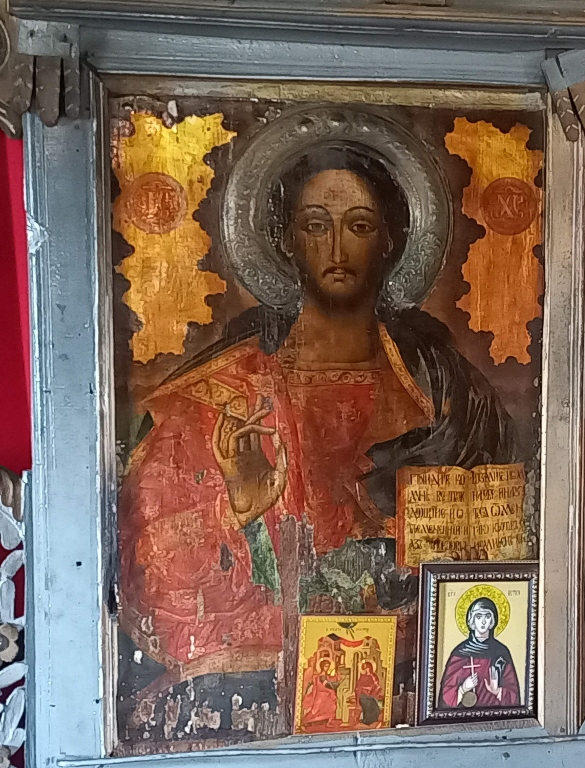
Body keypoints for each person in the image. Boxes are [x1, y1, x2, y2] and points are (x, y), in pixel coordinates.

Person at [118, 145, 515, 688]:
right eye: (315, 225)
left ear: (390, 241)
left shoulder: (447, 390)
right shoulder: (223, 394)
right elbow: (150, 565)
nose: (336, 247)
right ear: (286, 240)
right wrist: (235, 510)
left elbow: (500, 537)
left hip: (419, 676)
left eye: (359, 225)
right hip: (257, 687)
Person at [439, 598, 520, 708]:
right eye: (478, 617)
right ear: (472, 621)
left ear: (492, 620)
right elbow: (446, 696)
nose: (483, 621)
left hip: (495, 714)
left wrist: (497, 691)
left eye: (487, 616)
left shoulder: (501, 653)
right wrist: (463, 688)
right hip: (465, 715)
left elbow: (514, 694)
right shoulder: (459, 653)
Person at [301, 656, 341, 727]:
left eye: (328, 666)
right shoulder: (322, 676)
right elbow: (326, 685)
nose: (327, 668)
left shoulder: (325, 675)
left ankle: (328, 722)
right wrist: (335, 684)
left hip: (326, 695)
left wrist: (336, 681)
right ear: (322, 667)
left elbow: (329, 683)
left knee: (332, 707)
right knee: (316, 710)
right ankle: (306, 720)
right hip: (321, 695)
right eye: (325, 666)